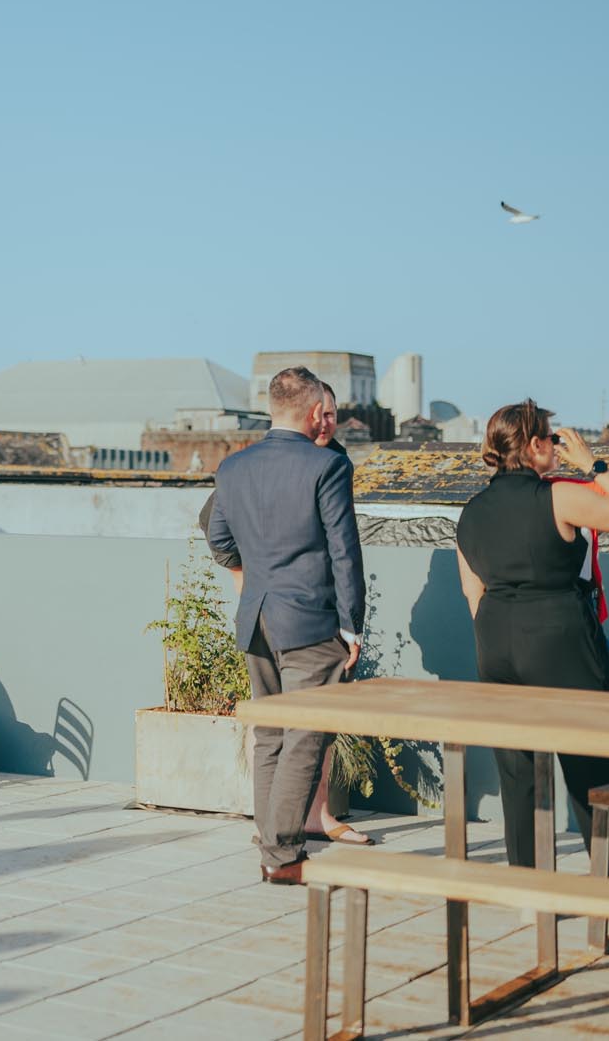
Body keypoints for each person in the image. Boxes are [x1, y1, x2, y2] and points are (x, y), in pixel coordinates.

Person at [454, 401, 609, 869]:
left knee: (518, 777)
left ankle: (530, 886)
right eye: (552, 440)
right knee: (597, 768)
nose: (557, 448)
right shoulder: (558, 497)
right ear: (535, 445)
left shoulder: (471, 512)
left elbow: (472, 592)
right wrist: (594, 466)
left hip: (496, 645)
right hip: (561, 642)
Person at [207, 367, 364, 886]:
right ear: (315, 411)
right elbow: (344, 550)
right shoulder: (327, 465)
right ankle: (282, 856)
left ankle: (272, 841)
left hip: (256, 619)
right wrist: (352, 625)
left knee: (271, 736)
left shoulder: (233, 467)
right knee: (304, 739)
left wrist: (255, 579)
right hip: (310, 622)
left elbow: (219, 540)